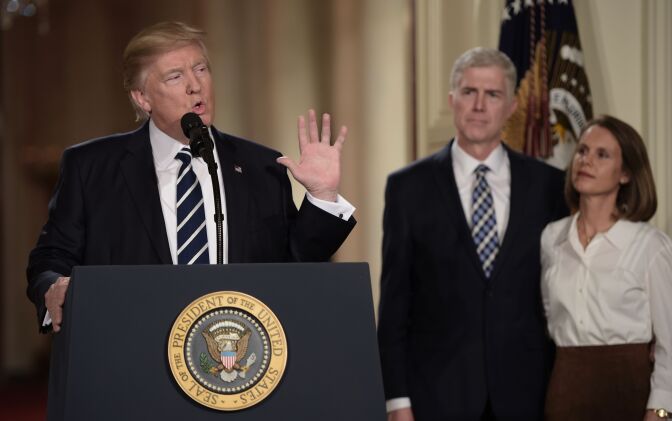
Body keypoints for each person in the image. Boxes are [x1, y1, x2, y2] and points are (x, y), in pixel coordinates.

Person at [26, 21, 356, 334]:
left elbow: (296, 267)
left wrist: (322, 197)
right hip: (132, 354)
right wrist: (53, 288)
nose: (195, 85)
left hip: (237, 361)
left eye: (201, 69)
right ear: (142, 98)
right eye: (175, 76)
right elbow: (51, 257)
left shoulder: (262, 166)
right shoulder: (92, 167)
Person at [377, 47, 567, 421]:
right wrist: (397, 401)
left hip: (528, 395)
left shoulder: (549, 186)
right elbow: (395, 303)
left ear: (511, 106)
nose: (479, 105)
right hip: (436, 396)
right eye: (469, 92)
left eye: (493, 94)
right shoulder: (407, 187)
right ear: (452, 100)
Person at [541, 115, 672, 421]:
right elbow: (550, 320)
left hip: (629, 393)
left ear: (625, 173)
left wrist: (661, 412)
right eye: (583, 151)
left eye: (602, 155)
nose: (586, 160)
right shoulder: (551, 238)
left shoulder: (650, 246)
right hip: (564, 392)